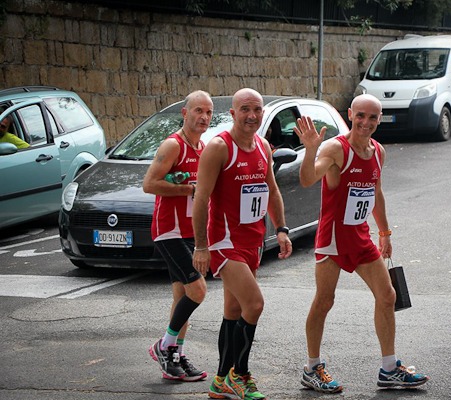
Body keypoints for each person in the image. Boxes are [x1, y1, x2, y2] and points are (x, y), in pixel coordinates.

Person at [293, 93, 429, 393]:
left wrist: (385, 232)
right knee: (325, 300)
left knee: (387, 295)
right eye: (361, 116)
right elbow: (307, 179)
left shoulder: (378, 151)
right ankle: (312, 368)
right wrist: (311, 150)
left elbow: (375, 192)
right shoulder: (335, 149)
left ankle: (389, 369)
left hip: (360, 236)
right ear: (350, 114)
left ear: (379, 120)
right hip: (333, 238)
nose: (366, 122)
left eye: (372, 117)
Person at [192, 88, 293, 399]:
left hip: (253, 241)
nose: (252, 115)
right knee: (255, 304)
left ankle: (220, 380)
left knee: (234, 310)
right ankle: (240, 373)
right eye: (245, 109)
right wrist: (201, 246)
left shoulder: (262, 146)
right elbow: (201, 198)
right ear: (233, 114)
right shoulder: (219, 148)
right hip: (225, 242)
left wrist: (281, 229)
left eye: (257, 109)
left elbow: (272, 190)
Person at [143, 90, 213, 382]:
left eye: (208, 112)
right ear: (185, 113)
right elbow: (149, 184)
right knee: (198, 290)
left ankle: (175, 356)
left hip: (189, 231)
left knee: (182, 296)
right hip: (168, 231)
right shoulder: (173, 145)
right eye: (198, 111)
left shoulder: (204, 148)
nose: (204, 117)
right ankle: (164, 345)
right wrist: (189, 189)